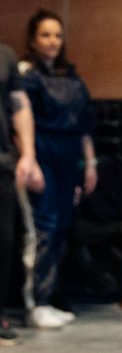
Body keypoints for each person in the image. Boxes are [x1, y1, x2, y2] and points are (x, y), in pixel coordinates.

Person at [19, 10, 98, 329]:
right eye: (45, 35)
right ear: (33, 39)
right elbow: (20, 121)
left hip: (69, 161)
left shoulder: (71, 76)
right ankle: (36, 301)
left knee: (63, 228)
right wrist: (30, 160)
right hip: (43, 159)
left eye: (57, 35)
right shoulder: (28, 76)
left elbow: (83, 124)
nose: (52, 41)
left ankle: (50, 298)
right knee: (45, 228)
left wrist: (89, 164)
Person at [0, 42, 43, 345]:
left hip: (2, 163)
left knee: (3, 241)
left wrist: (28, 154)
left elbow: (20, 104)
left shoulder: (5, 55)